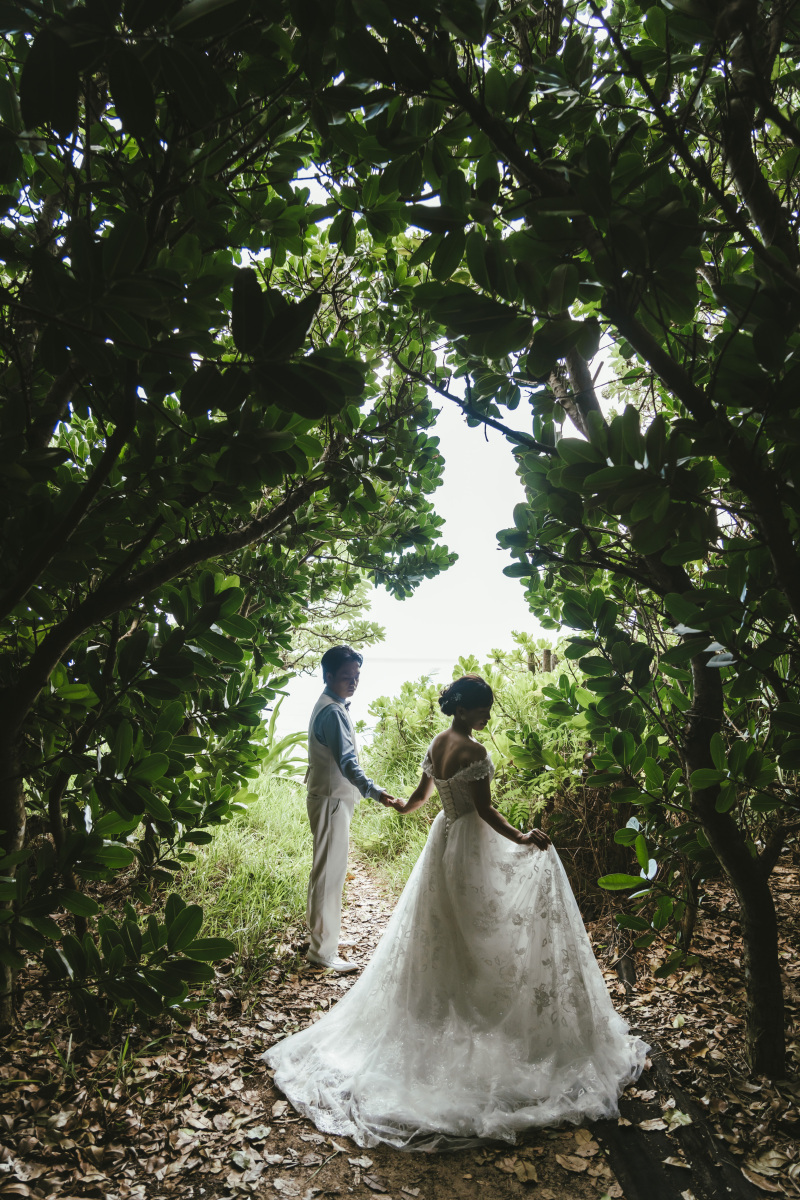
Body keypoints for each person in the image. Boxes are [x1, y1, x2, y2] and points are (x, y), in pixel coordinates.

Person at [266, 674, 648, 1149]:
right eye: (484, 708)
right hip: (471, 843)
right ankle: (477, 1006)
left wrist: (400, 805)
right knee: (479, 927)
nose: (488, 715)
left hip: (443, 838)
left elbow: (422, 798)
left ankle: (450, 1000)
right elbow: (486, 812)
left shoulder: (438, 742)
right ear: (465, 709)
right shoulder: (475, 753)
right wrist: (524, 838)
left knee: (445, 926)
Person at [304, 644, 396, 973]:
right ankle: (322, 952)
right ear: (329, 676)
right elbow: (347, 763)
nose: (354, 682)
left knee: (325, 874)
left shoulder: (331, 705)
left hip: (326, 799)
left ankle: (319, 940)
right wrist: (375, 792)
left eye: (357, 676)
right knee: (329, 876)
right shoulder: (332, 711)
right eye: (347, 677)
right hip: (330, 802)